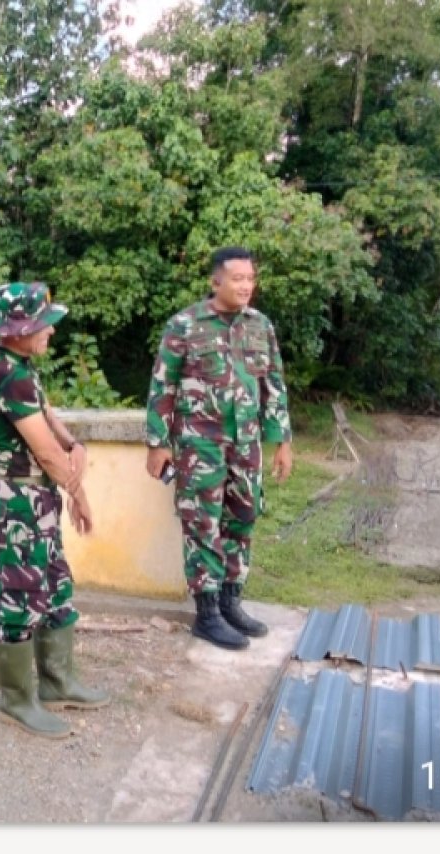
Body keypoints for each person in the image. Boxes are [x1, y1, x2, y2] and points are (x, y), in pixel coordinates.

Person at [0, 281, 108, 737]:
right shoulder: (4, 372)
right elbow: (45, 453)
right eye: (42, 326)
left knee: (54, 586)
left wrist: (76, 444)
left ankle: (57, 682)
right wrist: (79, 491)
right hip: (15, 502)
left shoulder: (22, 368)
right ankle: (15, 699)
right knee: (18, 597)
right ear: (16, 330)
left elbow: (50, 421)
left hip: (37, 499)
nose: (50, 332)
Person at [144, 246, 293, 651]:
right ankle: (207, 614)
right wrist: (158, 443)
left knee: (242, 520)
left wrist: (280, 441)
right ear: (216, 282)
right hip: (200, 447)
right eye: (237, 279)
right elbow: (163, 386)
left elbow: (274, 384)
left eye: (250, 279)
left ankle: (232, 603)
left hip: (247, 447)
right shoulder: (186, 325)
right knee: (203, 526)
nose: (246, 286)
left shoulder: (261, 326)